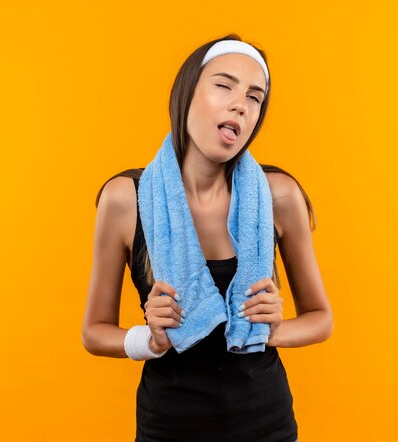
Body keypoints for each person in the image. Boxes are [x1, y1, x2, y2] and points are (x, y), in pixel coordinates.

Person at [82, 33, 334, 442]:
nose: (241, 103)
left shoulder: (278, 195)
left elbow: (322, 319)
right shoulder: (125, 199)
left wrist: (274, 329)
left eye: (255, 97)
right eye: (224, 85)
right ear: (187, 93)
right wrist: (149, 337)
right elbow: (94, 331)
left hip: (266, 422)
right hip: (169, 424)